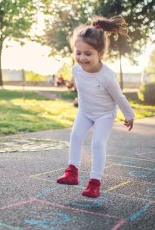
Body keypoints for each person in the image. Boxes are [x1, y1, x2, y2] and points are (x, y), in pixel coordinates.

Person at [56, 15, 135, 198]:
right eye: (78, 52)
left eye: (88, 54)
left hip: (104, 115)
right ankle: (72, 173)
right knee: (75, 136)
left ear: (100, 54)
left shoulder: (107, 76)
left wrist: (129, 115)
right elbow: (83, 89)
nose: (82, 58)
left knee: (98, 143)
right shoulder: (76, 70)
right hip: (85, 111)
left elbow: (119, 97)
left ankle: (94, 183)